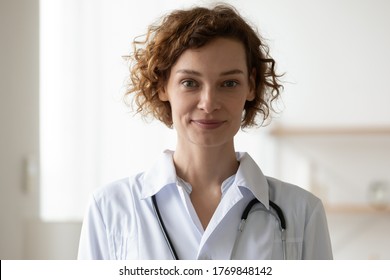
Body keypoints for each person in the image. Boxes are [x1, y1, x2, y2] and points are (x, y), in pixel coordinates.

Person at [77, 4, 333, 260]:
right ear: (163, 86)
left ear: (251, 87)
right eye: (190, 83)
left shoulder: (302, 213)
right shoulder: (109, 209)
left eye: (229, 83)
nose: (209, 103)